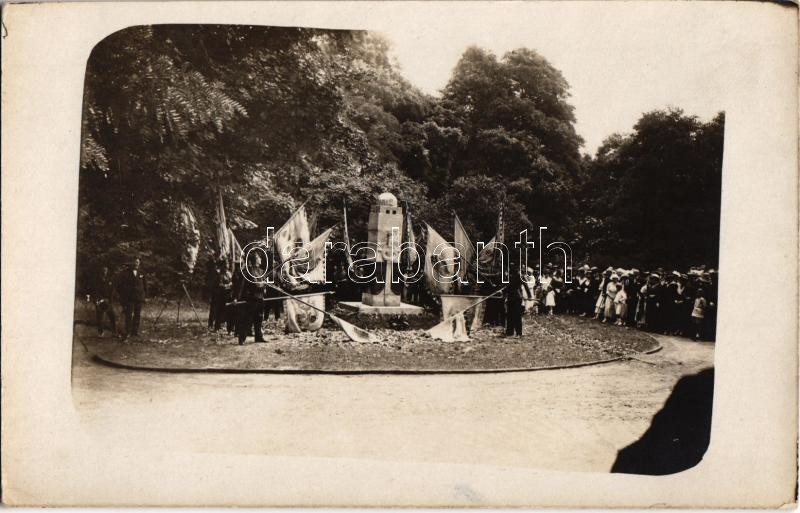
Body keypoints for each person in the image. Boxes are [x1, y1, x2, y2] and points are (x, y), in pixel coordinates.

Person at [236, 253, 266, 344]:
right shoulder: (248, 271)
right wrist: (261, 284)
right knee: (248, 319)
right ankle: (242, 338)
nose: (260, 259)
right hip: (252, 298)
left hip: (260, 297)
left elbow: (264, 283)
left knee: (259, 318)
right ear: (255, 260)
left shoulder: (261, 271)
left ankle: (258, 337)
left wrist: (263, 284)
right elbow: (252, 285)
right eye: (258, 257)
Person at [117, 257, 146, 339]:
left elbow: (145, 285)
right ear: (132, 263)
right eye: (135, 262)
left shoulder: (142, 272)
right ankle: (128, 332)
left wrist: (145, 295)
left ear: (139, 263)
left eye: (138, 262)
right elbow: (119, 286)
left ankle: (135, 331)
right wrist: (124, 295)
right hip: (129, 297)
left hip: (139, 297)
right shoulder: (126, 273)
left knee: (137, 314)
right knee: (129, 314)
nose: (136, 264)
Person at [504, 261, 531, 337]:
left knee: (517, 315)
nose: (511, 268)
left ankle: (519, 332)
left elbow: (526, 286)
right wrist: (503, 293)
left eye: (512, 266)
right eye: (510, 266)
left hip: (517, 297)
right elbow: (506, 287)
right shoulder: (508, 276)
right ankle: (509, 332)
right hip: (510, 298)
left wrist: (529, 296)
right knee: (509, 315)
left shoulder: (520, 276)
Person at [93, 265, 117, 336]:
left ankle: (114, 332)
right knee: (100, 317)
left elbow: (112, 290)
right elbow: (96, 291)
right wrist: (98, 300)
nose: (105, 272)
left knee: (112, 316)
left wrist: (110, 300)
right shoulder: (97, 280)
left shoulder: (109, 279)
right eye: (103, 270)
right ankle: (100, 332)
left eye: (106, 270)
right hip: (100, 300)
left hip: (108, 300)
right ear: (101, 271)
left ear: (107, 271)